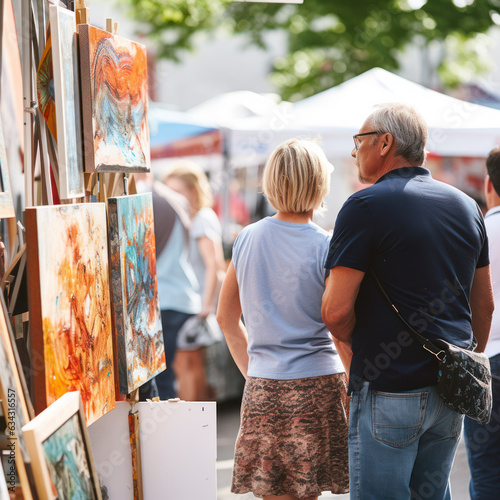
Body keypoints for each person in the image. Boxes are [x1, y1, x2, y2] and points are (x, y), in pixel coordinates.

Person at [321, 103, 494, 500]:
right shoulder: (467, 206)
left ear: (385, 143)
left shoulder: (364, 206)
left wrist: (354, 354)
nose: (353, 151)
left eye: (359, 140)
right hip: (449, 389)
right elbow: (483, 306)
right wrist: (460, 360)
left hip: (388, 388)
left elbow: (335, 310)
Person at [217, 139, 349, 500]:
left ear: (271, 181)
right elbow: (339, 324)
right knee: (310, 492)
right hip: (321, 383)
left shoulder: (246, 239)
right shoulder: (328, 246)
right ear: (320, 183)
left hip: (264, 385)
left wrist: (256, 371)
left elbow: (226, 319)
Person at [136, 174, 201, 401]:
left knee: (161, 378)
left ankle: (171, 433)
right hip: (182, 297)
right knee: (167, 376)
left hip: (164, 299)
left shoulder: (146, 200)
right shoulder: (176, 201)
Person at [165, 162, 225, 401]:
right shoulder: (192, 217)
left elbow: (214, 265)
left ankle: (192, 427)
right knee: (188, 366)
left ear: (193, 190)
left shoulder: (201, 218)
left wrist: (205, 306)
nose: (173, 197)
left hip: (196, 304)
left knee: (188, 366)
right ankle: (198, 427)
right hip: (192, 302)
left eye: (177, 190)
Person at [464, 147, 500, 499]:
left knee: (486, 462)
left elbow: (478, 304)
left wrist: (472, 354)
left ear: (489, 184)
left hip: (487, 357)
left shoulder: (477, 230)